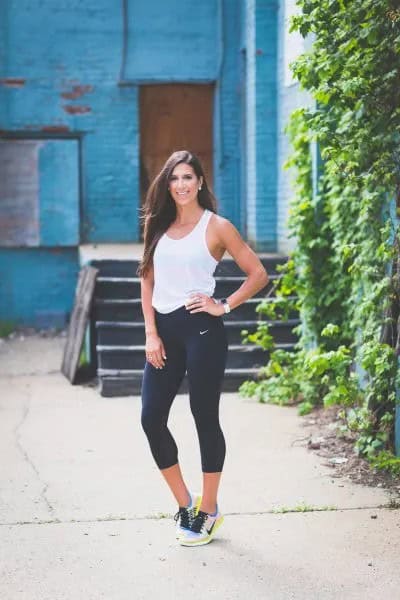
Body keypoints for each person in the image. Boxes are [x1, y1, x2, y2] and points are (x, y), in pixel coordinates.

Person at [137, 150, 268, 547]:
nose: (181, 185)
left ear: (200, 182)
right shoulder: (157, 226)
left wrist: (223, 304)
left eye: (188, 177)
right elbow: (147, 280)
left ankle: (209, 510)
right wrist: (150, 333)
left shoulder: (217, 227)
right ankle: (185, 503)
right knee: (150, 418)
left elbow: (258, 273)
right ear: (167, 182)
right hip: (164, 332)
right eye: (175, 178)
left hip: (202, 331)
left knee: (203, 416)